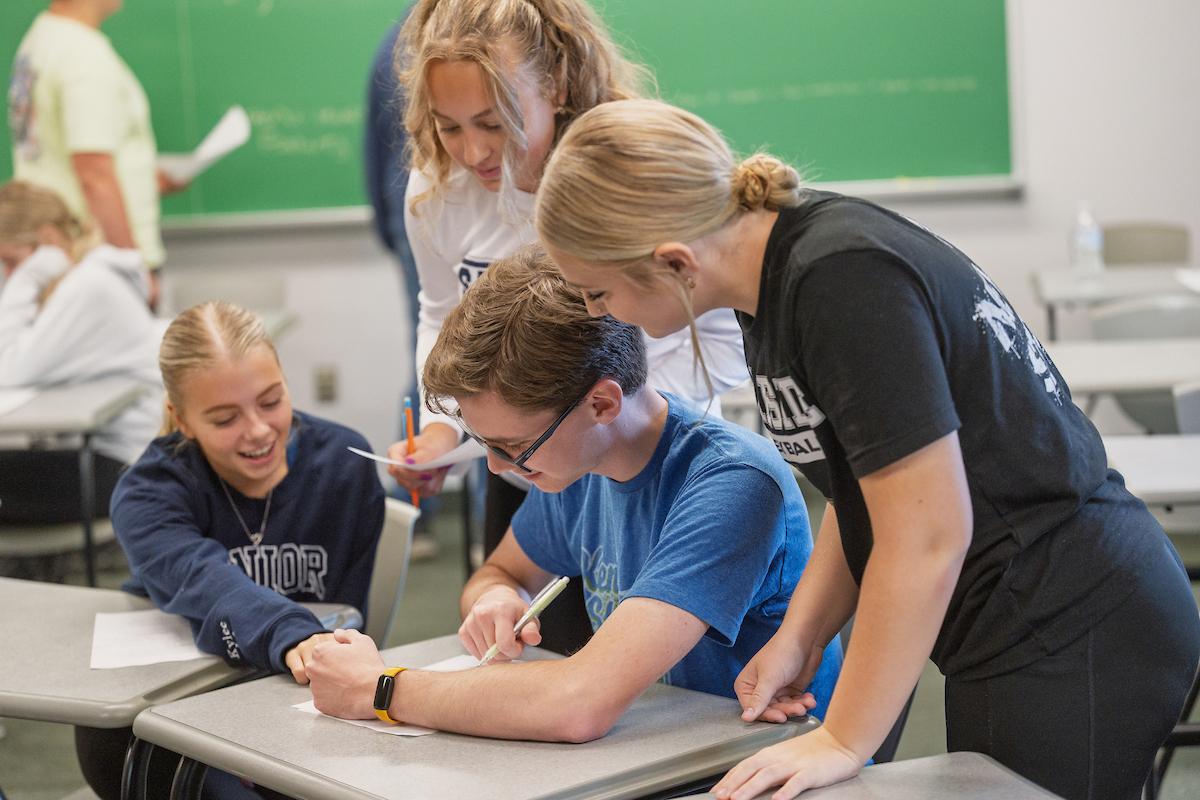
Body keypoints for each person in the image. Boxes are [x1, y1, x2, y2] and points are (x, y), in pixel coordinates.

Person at [533, 98, 1200, 800]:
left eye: (596, 290)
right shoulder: (767, 283)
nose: (596, 313)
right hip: (1011, 618)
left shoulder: (837, 279)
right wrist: (802, 634)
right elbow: (859, 493)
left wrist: (845, 738)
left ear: (673, 262)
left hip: (1076, 619)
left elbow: (927, 536)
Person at [306, 244, 842, 740]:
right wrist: (497, 598)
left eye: (512, 445)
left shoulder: (732, 483)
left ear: (603, 405)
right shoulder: (577, 463)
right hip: (651, 755)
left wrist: (381, 689)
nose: (495, 468)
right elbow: (501, 572)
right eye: (485, 443)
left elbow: (581, 702)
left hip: (751, 763)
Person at [385, 0, 748, 653]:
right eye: (448, 127)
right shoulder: (434, 191)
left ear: (553, 84)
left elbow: (721, 332)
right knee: (527, 646)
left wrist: (614, 424)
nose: (472, 151)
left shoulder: (624, 170)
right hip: (527, 462)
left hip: (642, 459)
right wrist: (445, 426)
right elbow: (442, 313)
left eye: (493, 123)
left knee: (653, 665)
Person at [73, 301, 386, 800]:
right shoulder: (147, 493)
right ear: (182, 420)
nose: (258, 431)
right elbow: (203, 580)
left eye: (271, 400)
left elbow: (350, 616)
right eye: (224, 419)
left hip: (298, 707)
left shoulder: (344, 466)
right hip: (172, 712)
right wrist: (291, 635)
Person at [0, 179, 159, 527]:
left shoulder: (88, 286)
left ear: (48, 241)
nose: (8, 277)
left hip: (128, 469)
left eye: (12, 262)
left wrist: (28, 276)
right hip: (97, 454)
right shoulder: (80, 281)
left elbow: (7, 370)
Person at [8, 0, 183, 307]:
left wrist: (145, 179)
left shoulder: (40, 39)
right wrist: (131, 268)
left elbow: (52, 155)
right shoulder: (82, 55)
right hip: (96, 263)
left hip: (59, 256)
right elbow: (93, 173)